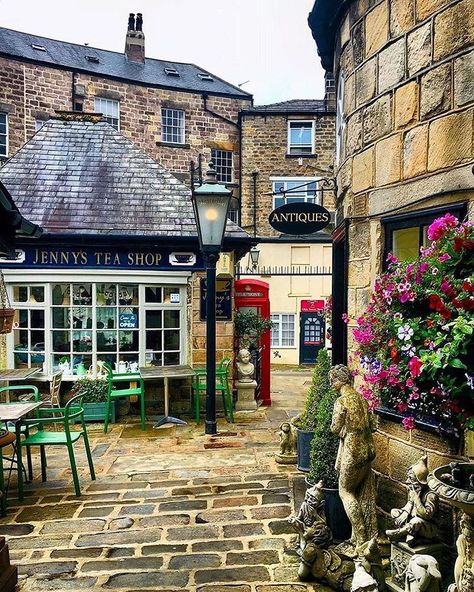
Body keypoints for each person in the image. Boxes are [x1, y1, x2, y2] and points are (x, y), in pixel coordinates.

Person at [329, 364, 378, 549]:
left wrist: (346, 431)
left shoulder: (341, 402)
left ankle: (362, 539)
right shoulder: (362, 399)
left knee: (345, 492)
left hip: (353, 451)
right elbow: (373, 425)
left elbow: (334, 428)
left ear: (339, 381)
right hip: (368, 449)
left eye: (333, 379)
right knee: (363, 493)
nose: (331, 383)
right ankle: (356, 537)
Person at [386, 455, 439, 546]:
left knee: (416, 522)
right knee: (394, 512)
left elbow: (426, 515)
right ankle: (410, 534)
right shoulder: (414, 491)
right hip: (411, 519)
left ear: (419, 481)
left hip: (427, 526)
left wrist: (417, 499)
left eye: (410, 478)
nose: (407, 481)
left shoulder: (431, 496)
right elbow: (408, 506)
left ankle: (399, 533)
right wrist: (403, 513)